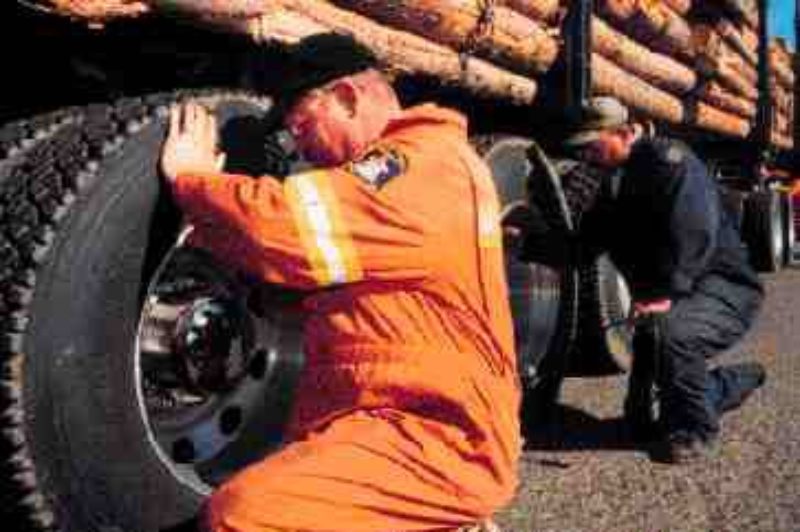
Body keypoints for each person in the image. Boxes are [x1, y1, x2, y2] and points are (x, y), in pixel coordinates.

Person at [159, 33, 521, 531]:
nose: (298, 145)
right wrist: (208, 237)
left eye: (302, 124)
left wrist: (193, 182)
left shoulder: (419, 167)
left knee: (241, 518)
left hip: (435, 436)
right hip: (396, 421)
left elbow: (285, 230)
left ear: (348, 98)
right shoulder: (426, 166)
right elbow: (304, 270)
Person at [563, 96, 767, 464]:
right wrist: (529, 238)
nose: (587, 155)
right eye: (583, 149)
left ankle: (695, 430)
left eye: (594, 146)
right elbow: (590, 243)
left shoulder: (669, 162)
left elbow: (695, 230)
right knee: (647, 388)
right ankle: (724, 385)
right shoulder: (613, 181)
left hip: (723, 286)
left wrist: (669, 293)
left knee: (672, 335)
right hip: (673, 291)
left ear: (625, 133)